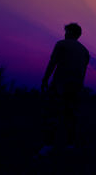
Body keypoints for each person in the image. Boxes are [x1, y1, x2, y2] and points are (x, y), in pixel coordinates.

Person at [37, 23, 90, 156]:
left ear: (71, 33)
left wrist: (45, 79)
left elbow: (53, 63)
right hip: (76, 88)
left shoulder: (61, 44)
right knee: (71, 116)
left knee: (52, 115)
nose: (65, 34)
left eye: (66, 31)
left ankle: (48, 145)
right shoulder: (85, 51)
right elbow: (83, 72)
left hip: (59, 85)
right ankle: (70, 145)